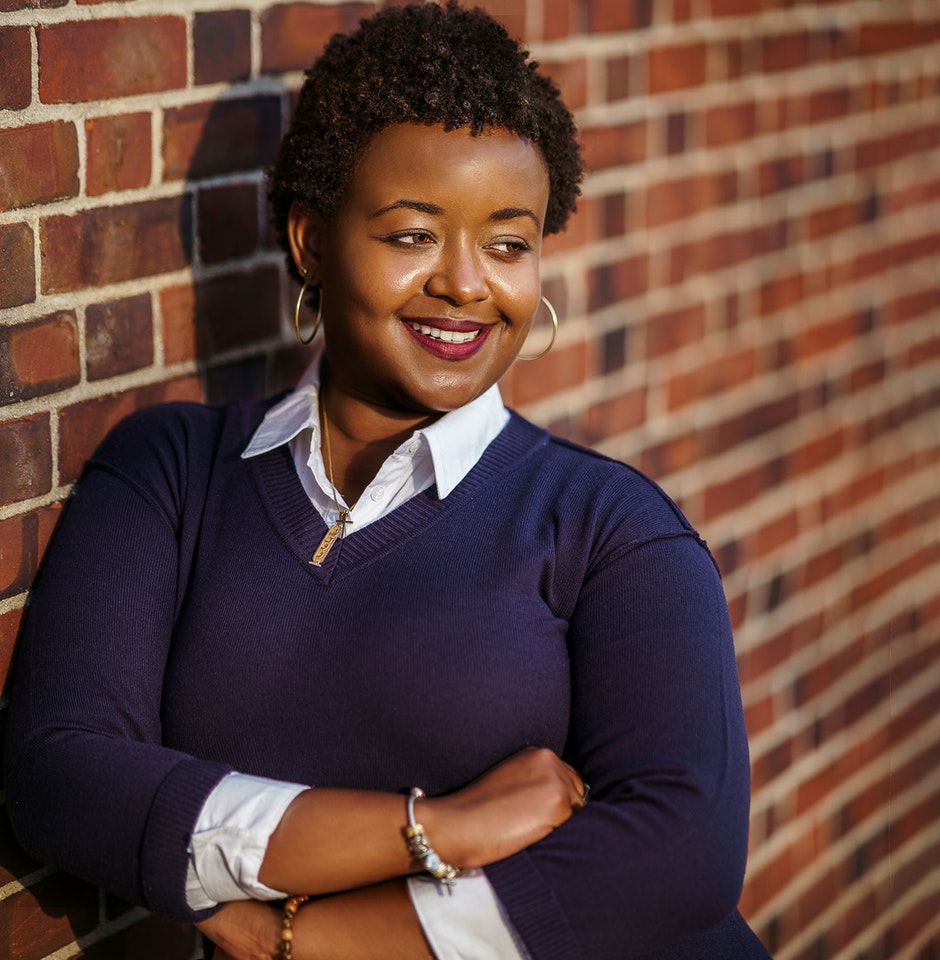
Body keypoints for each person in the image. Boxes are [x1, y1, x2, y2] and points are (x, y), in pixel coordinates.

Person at [5, 4, 773, 958]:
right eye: (413, 235)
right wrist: (434, 829)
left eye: (507, 243)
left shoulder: (611, 529)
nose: (464, 284)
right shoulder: (173, 472)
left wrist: (304, 940)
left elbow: (680, 854)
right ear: (312, 243)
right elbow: (60, 776)